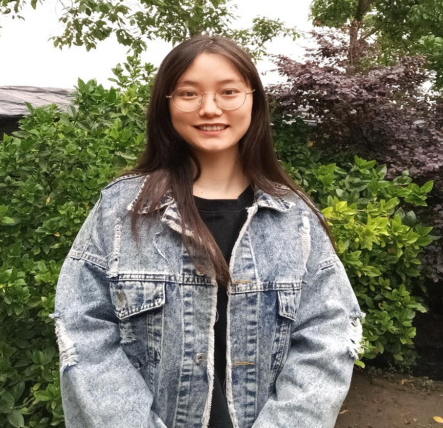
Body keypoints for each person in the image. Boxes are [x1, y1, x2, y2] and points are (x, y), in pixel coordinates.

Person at [50, 34, 365, 428]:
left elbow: (328, 335)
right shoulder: (121, 210)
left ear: (253, 99)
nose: (210, 108)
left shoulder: (294, 217)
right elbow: (83, 328)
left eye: (229, 91)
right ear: (166, 104)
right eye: (189, 93)